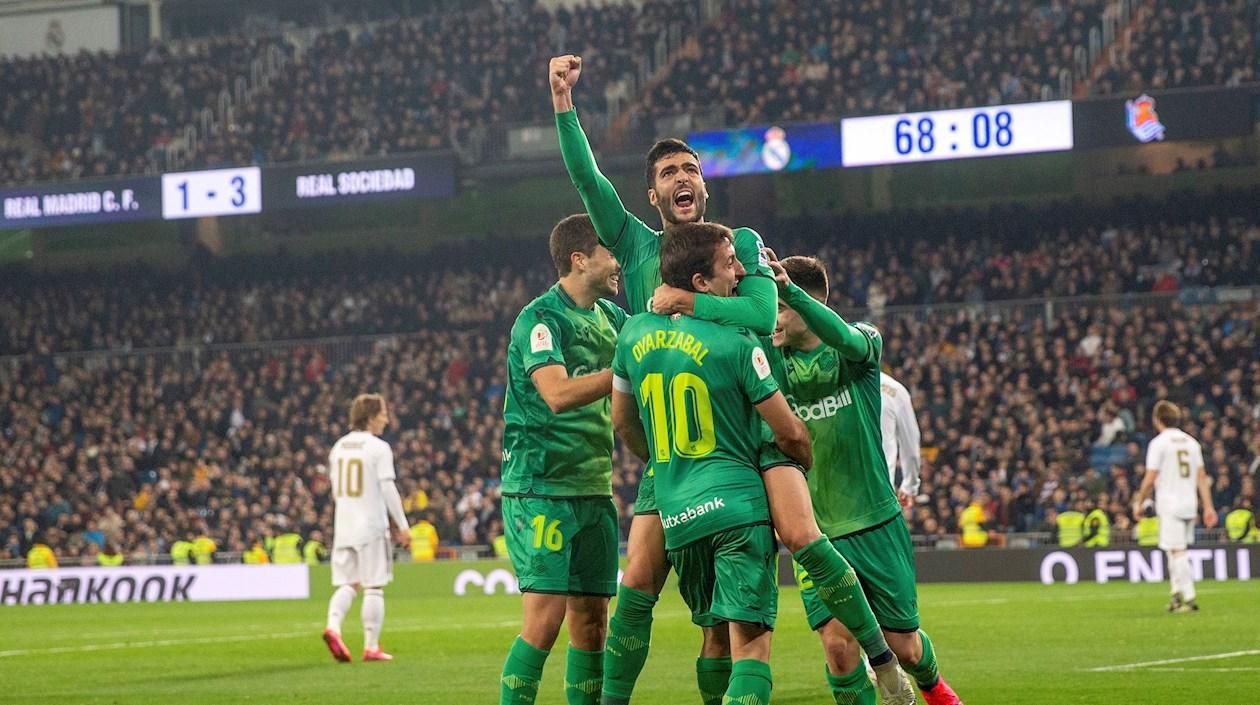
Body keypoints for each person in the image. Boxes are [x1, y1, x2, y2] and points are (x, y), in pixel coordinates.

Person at [550, 54, 909, 705]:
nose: (682, 177)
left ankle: (885, 664)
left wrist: (689, 304)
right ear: (653, 196)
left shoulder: (737, 241)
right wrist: (563, 105)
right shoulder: (633, 246)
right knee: (642, 586)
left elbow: (763, 311)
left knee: (800, 538)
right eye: (668, 173)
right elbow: (586, 177)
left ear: (704, 187)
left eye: (691, 169)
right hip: (682, 442)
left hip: (750, 425)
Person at [610, 223, 812, 705]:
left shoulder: (634, 330)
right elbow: (791, 431)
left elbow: (622, 420)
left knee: (707, 628)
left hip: (678, 507)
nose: (740, 272)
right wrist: (802, 459)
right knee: (751, 645)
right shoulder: (736, 342)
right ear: (700, 282)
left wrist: (664, 457)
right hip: (737, 497)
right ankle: (885, 663)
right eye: (729, 266)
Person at [769, 254, 963, 705]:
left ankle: (935, 689)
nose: (772, 318)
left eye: (780, 307)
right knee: (838, 649)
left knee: (905, 647)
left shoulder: (860, 347)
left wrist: (790, 289)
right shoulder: (772, 361)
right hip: (813, 532)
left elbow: (842, 336)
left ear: (810, 301)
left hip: (874, 519)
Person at [497, 214, 627, 705]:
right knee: (545, 622)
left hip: (594, 488)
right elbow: (554, 393)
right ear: (580, 259)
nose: (618, 264)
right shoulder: (540, 319)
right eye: (609, 253)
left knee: (593, 622)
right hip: (541, 488)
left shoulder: (614, 320)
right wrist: (621, 369)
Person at [322, 393, 411, 663]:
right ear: (371, 416)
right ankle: (371, 646)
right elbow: (387, 487)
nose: (386, 418)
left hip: (344, 526)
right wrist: (403, 526)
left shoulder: (338, 447)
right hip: (371, 526)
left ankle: (333, 627)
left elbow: (336, 490)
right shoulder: (378, 447)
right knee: (373, 587)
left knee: (349, 584)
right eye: (383, 413)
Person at [1132, 400, 1219, 612]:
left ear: (1157, 419)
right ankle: (1176, 594)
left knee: (1177, 550)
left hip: (1170, 503)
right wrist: (1208, 507)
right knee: (1173, 549)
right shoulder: (1191, 443)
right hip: (1190, 502)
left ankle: (1189, 597)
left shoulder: (1159, 443)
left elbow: (1150, 477)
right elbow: (1201, 476)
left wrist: (1139, 501)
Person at [880, 371, 922, 508]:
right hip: (880, 492)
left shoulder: (831, 384)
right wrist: (910, 486)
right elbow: (911, 447)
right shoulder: (895, 390)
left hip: (835, 491)